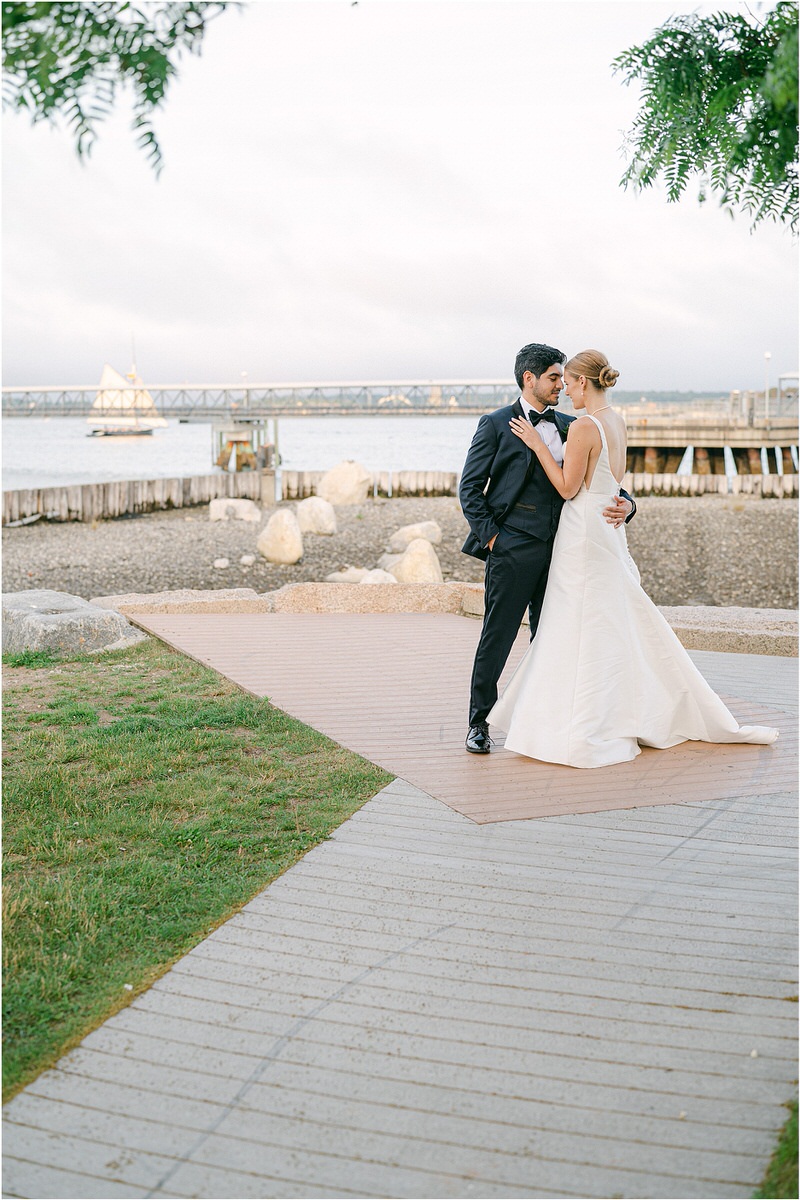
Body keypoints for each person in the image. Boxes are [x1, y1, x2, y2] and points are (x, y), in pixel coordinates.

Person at [488, 348, 779, 768]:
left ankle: (581, 722)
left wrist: (536, 445)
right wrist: (627, 505)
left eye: (567, 382)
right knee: (602, 619)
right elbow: (612, 482)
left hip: (584, 530)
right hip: (605, 527)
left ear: (583, 383)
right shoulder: (617, 421)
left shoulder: (585, 426)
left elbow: (569, 488)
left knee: (576, 621)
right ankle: (615, 710)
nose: (565, 390)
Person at [459, 342, 636, 754]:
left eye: (563, 378)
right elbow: (470, 489)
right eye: (554, 377)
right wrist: (493, 538)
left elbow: (598, 477)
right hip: (513, 550)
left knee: (553, 639)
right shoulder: (496, 423)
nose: (561, 385)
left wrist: (628, 504)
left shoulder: (572, 424)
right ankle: (478, 723)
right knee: (497, 636)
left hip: (566, 551)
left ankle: (543, 721)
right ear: (529, 379)